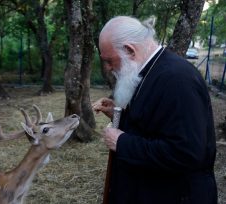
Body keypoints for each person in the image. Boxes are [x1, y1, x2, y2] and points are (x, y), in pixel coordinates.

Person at [92, 16, 217, 204]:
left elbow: (187, 152)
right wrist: (120, 116)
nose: (108, 68)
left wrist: (122, 142)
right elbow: (153, 124)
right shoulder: (149, 70)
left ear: (129, 50)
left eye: (109, 61)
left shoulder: (177, 79)